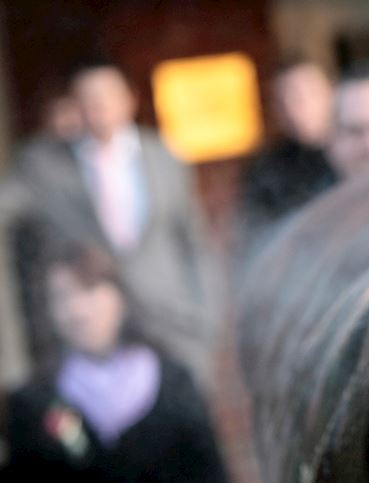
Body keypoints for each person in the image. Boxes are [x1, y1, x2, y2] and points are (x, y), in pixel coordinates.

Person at [4, 56, 221, 385]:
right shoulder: (44, 167)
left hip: (173, 326)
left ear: (129, 99)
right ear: (74, 106)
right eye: (87, 98)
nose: (99, 105)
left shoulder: (165, 157)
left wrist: (207, 315)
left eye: (107, 94)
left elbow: (194, 241)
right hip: (87, 336)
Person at [2, 242, 228, 481]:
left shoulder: (174, 384)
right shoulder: (34, 404)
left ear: (120, 298)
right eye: (62, 296)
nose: (78, 310)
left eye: (89, 289)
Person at [239, 60, 338, 240]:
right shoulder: (268, 172)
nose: (293, 109)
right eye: (282, 101)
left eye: (303, 96)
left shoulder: (359, 153)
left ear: (331, 92)